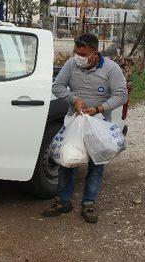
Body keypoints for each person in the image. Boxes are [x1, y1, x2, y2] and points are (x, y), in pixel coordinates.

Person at [43, 33, 128, 223]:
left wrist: (99, 108)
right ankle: (63, 201)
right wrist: (73, 99)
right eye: (76, 52)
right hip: (75, 121)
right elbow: (57, 86)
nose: (78, 57)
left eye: (83, 54)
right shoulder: (72, 65)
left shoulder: (111, 69)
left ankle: (88, 203)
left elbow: (121, 95)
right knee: (68, 161)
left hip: (99, 125)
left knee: (96, 165)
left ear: (94, 52)